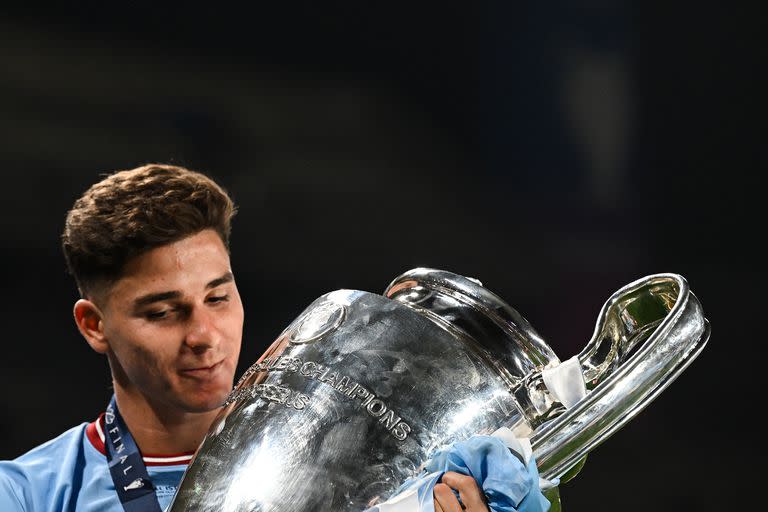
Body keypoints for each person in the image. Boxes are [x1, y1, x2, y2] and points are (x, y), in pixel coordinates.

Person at [0, 164, 501, 512]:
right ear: (94, 325)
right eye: (163, 312)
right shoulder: (26, 496)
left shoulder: (380, 469)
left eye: (217, 299)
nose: (203, 335)